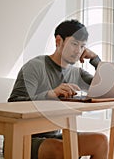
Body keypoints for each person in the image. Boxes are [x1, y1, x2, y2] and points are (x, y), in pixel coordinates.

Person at [7, 19, 108, 159]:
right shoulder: (35, 66)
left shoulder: (76, 73)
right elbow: (13, 103)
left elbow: (106, 90)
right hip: (24, 138)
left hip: (55, 137)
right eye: (74, 44)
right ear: (58, 41)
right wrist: (50, 94)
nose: (78, 51)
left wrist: (95, 59)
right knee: (61, 149)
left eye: (82, 46)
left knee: (100, 142)